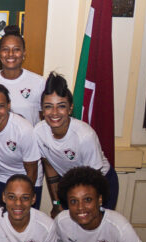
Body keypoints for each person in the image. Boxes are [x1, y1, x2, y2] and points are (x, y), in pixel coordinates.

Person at [34, 73, 118, 216]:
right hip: (67, 184)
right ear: (42, 110)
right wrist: (56, 203)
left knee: (93, 229)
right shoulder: (38, 132)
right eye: (48, 106)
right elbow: (49, 166)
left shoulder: (85, 136)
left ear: (70, 108)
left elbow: (94, 179)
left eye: (61, 106)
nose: (54, 113)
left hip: (99, 182)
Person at [0, 84, 42, 209]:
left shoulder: (23, 129)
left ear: (8, 105)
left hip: (26, 178)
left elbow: (32, 170)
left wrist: (23, 196)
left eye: (0, 106)